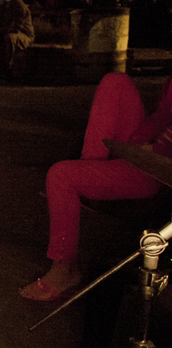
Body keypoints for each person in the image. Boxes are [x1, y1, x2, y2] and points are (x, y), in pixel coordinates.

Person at [21, 73, 172, 301]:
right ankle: (90, 172)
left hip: (160, 170)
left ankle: (64, 270)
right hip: (149, 152)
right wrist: (139, 143)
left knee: (60, 176)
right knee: (116, 82)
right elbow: (163, 114)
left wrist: (154, 152)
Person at [0, 0, 35, 79]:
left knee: (9, 37)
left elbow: (15, 28)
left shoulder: (19, 6)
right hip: (9, 31)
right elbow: (0, 24)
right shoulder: (1, 7)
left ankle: (8, 67)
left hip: (24, 34)